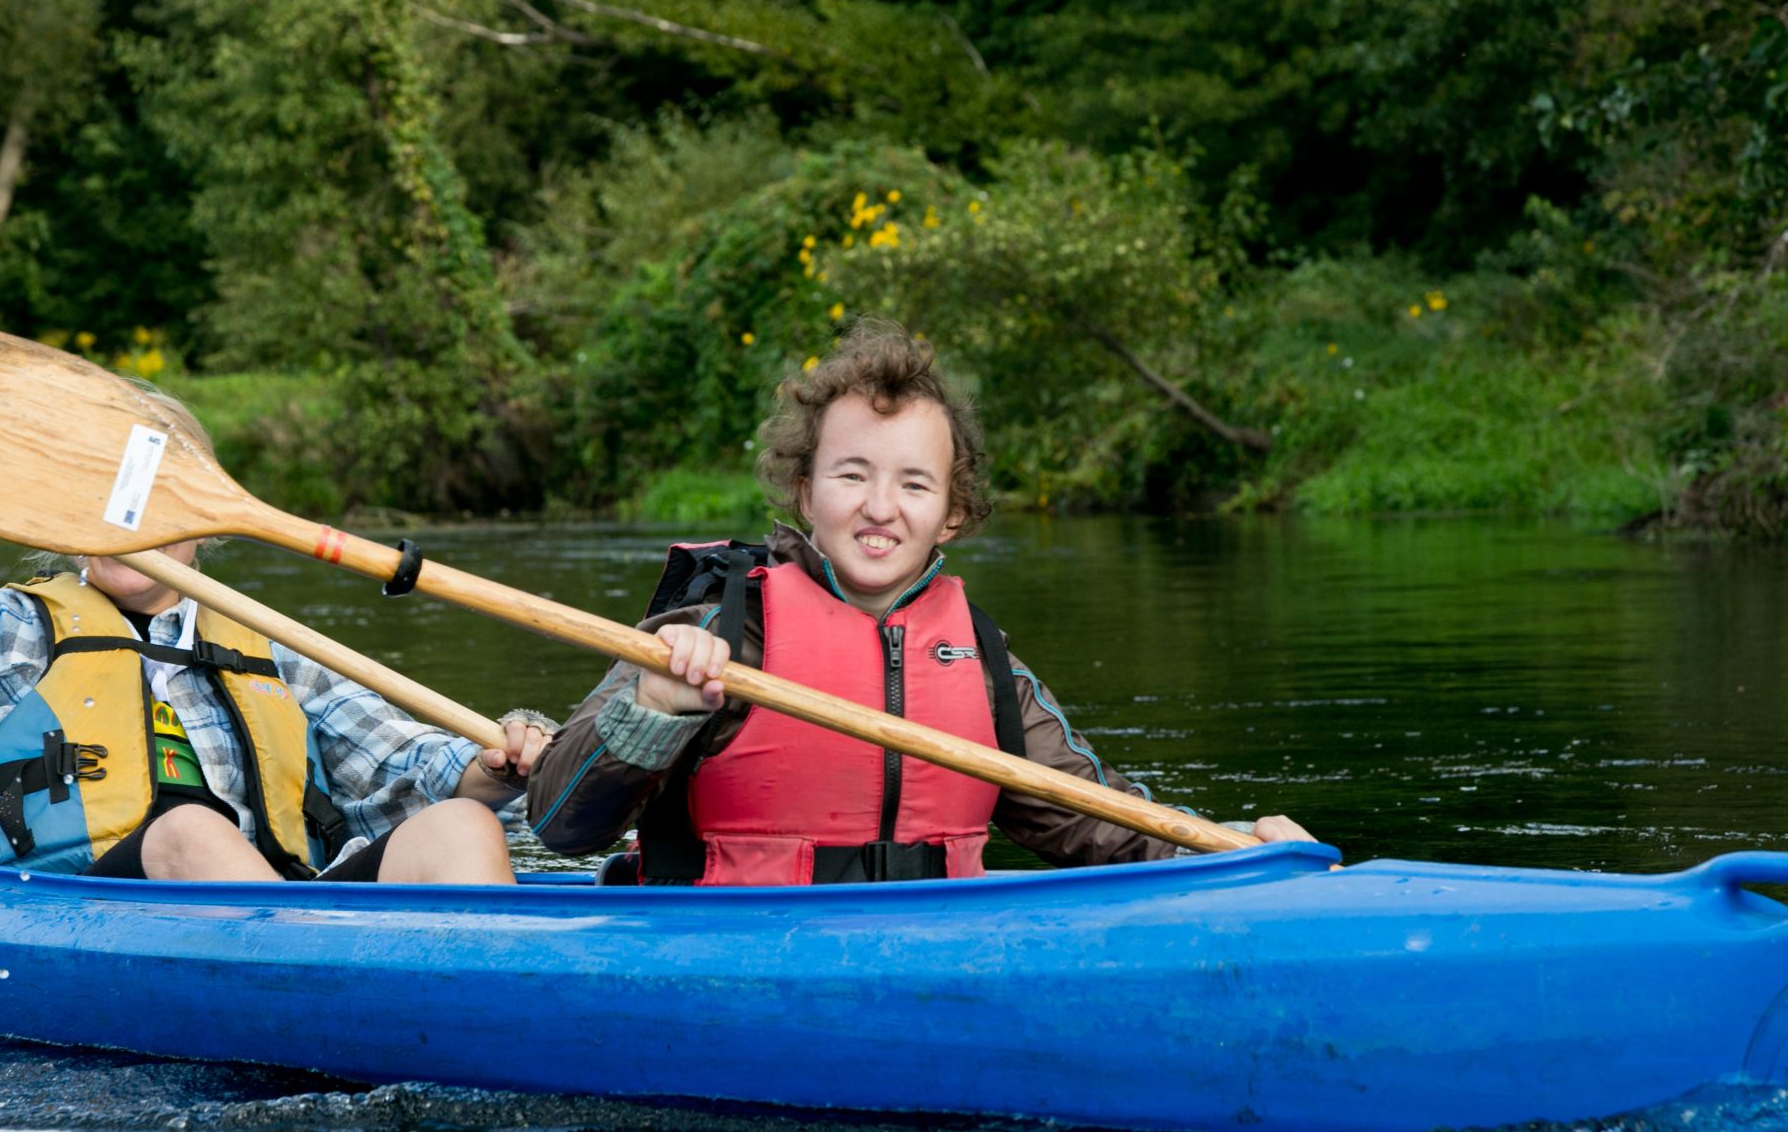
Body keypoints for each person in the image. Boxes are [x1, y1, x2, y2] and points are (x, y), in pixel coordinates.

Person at [524, 319, 1312, 885]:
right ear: (805, 491)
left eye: (914, 484)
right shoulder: (717, 633)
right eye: (851, 475)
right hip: (728, 957)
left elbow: (1098, 821)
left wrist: (1238, 853)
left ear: (952, 513)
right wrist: (654, 708)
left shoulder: (984, 663)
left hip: (927, 952)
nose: (880, 507)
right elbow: (560, 824)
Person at [0, 399, 550, 885]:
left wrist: (498, 766)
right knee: (190, 831)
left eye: (160, 505)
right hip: (82, 910)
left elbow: (411, 767)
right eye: (109, 501)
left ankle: (507, 1014)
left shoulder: (275, 650)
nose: (131, 524)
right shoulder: (2, 630)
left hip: (278, 908)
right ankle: (311, 998)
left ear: (203, 529)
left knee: (461, 824)